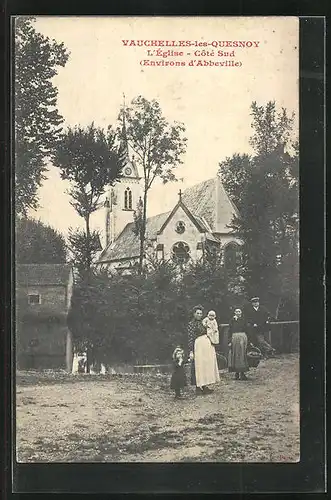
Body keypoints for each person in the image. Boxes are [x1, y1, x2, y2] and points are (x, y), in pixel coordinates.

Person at [188, 305, 220, 395]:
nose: (199, 315)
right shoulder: (191, 324)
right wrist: (191, 351)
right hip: (198, 346)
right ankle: (198, 387)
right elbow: (190, 338)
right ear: (194, 314)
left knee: (206, 365)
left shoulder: (204, 322)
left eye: (201, 313)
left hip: (206, 345)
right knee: (198, 365)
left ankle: (205, 386)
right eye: (197, 313)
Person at [228, 308, 250, 380]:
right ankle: (236, 373)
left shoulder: (244, 320)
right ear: (234, 312)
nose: (238, 313)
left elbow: (247, 329)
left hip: (242, 338)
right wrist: (229, 341)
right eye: (236, 311)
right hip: (234, 338)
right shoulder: (232, 321)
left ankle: (242, 373)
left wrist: (248, 340)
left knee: (242, 355)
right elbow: (230, 331)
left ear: (241, 312)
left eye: (239, 311)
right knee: (235, 355)